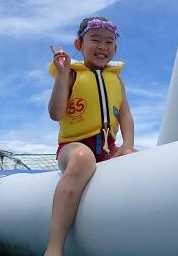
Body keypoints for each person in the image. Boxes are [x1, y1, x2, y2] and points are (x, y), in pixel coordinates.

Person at [45, 17, 135, 256]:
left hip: (107, 148)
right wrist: (62, 75)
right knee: (84, 158)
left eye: (109, 42)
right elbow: (56, 114)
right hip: (72, 148)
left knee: (135, 158)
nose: (102, 46)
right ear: (79, 44)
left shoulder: (116, 80)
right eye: (95, 39)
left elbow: (125, 115)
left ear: (115, 49)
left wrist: (127, 145)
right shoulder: (72, 74)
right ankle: (54, 247)